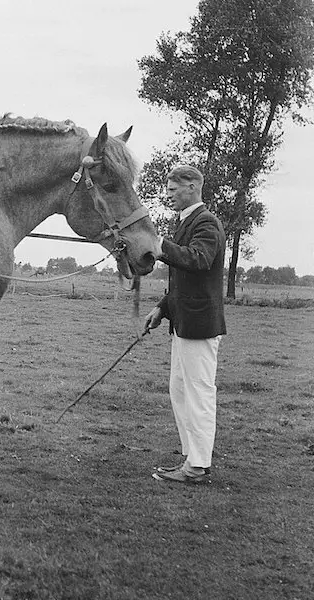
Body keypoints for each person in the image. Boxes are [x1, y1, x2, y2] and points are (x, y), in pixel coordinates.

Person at [144, 165, 226, 484]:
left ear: (192, 187)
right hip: (183, 322)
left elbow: (197, 260)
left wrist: (159, 244)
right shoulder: (187, 222)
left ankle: (197, 466)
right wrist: (161, 309)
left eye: (173, 189)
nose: (168, 195)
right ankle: (192, 454)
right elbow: (181, 280)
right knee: (179, 389)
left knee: (198, 392)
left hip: (200, 323)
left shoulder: (206, 222)